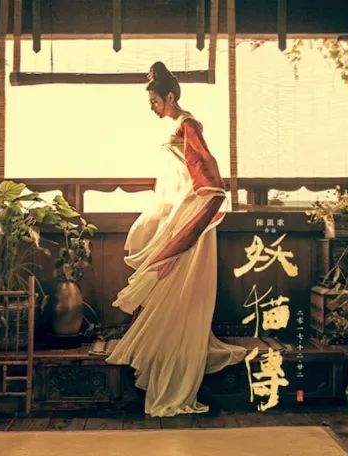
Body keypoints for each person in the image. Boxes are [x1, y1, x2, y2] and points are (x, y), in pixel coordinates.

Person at [105, 61, 248, 418]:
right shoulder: (174, 128)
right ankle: (165, 358)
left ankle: (176, 374)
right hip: (179, 214)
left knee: (182, 295)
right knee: (169, 292)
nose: (152, 108)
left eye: (155, 101)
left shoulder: (188, 125)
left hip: (193, 220)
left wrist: (191, 223)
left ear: (170, 97)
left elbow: (210, 181)